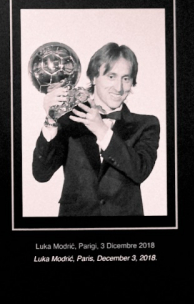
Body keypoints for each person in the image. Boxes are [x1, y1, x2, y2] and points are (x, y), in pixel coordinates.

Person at [33, 42, 159, 216]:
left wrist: (102, 130)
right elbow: (41, 174)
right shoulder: (69, 120)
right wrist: (50, 120)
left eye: (126, 78)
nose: (119, 88)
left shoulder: (146, 124)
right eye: (111, 76)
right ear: (93, 78)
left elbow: (140, 171)